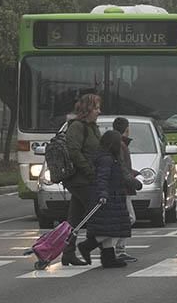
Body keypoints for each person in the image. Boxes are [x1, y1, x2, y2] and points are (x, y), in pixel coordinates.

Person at [78, 130, 142, 268]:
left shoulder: (107, 157)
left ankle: (108, 258)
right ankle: (86, 246)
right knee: (111, 229)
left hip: (112, 196)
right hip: (108, 197)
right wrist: (102, 194)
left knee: (107, 228)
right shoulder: (107, 159)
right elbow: (102, 178)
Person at [61, 93, 102, 266]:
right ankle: (89, 246)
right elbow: (74, 151)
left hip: (86, 179)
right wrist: (90, 171)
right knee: (98, 213)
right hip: (80, 180)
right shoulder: (77, 127)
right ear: (87, 109)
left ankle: (67, 252)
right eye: (97, 108)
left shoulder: (92, 127)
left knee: (75, 219)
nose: (99, 112)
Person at [112, 117, 139, 263]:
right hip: (122, 187)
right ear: (127, 129)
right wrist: (132, 180)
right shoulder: (121, 145)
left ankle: (117, 248)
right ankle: (118, 248)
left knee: (125, 217)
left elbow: (122, 167)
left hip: (121, 186)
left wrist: (132, 172)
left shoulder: (118, 144)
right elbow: (121, 167)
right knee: (129, 218)